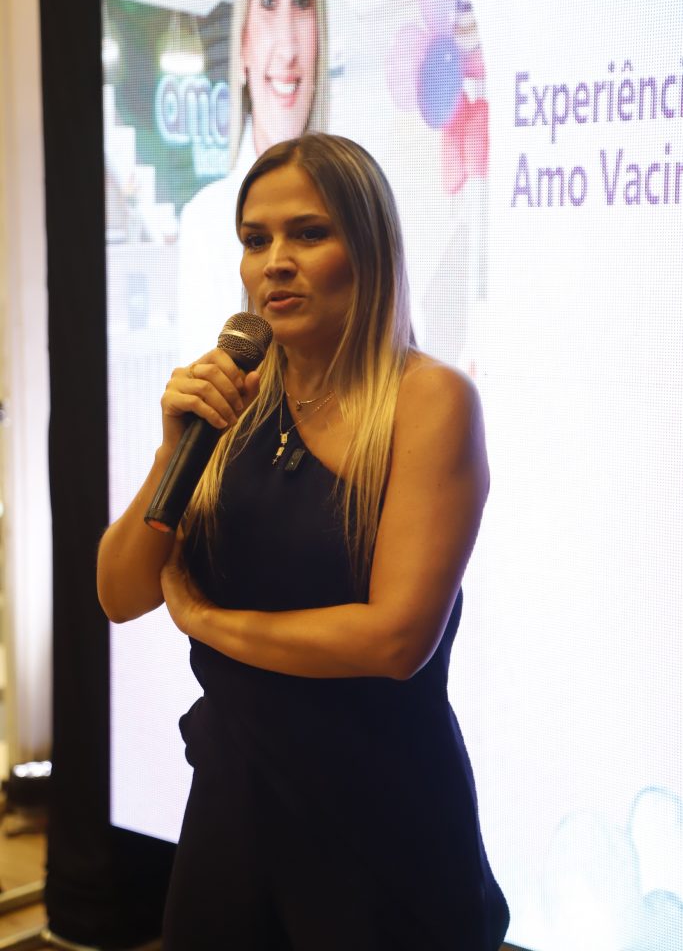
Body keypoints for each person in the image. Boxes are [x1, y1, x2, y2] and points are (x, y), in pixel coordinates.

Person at [97, 132, 510, 949]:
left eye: (308, 234)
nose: (274, 263)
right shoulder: (230, 400)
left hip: (379, 819)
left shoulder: (428, 401)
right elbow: (120, 593)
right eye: (256, 240)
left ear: (369, 247)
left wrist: (207, 622)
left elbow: (393, 641)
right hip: (234, 809)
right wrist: (174, 449)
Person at [177, 0, 328, 362]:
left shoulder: (362, 210)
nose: (287, 48)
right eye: (267, 0)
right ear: (242, 38)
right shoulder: (205, 223)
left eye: (303, 0)